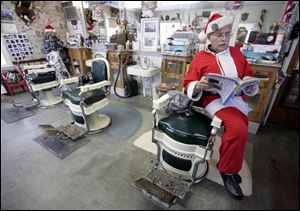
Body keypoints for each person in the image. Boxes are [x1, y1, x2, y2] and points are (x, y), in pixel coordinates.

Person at [184, 13, 258, 200]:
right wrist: (197, 85)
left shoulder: (236, 53)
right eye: (219, 35)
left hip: (236, 98)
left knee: (240, 129)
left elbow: (248, 75)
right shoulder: (200, 57)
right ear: (209, 36)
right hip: (214, 99)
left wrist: (248, 81)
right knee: (239, 128)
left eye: (227, 34)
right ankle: (227, 171)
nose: (224, 38)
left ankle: (228, 165)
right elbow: (188, 83)